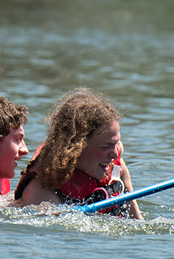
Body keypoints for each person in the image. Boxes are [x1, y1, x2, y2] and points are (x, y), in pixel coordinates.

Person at [15, 88, 143, 219]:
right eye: (106, 146)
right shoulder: (42, 196)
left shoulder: (113, 157)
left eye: (116, 143)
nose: (115, 154)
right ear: (76, 147)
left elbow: (136, 219)